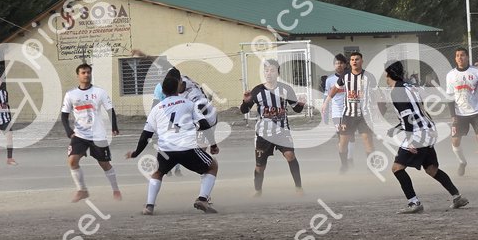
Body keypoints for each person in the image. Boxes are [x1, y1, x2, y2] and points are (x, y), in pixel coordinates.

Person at [125, 72, 218, 214]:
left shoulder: (156, 109)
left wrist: (136, 153)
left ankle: (149, 206)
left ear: (163, 92)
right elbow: (204, 124)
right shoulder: (189, 104)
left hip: (166, 150)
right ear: (177, 89)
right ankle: (202, 199)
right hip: (188, 148)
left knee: (158, 173)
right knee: (212, 166)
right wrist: (213, 145)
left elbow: (146, 135)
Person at [383, 60, 468, 214]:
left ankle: (414, 203)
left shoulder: (397, 91)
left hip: (417, 133)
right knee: (431, 169)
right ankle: (457, 197)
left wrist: (410, 140)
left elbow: (408, 115)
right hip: (428, 129)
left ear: (388, 73)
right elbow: (417, 111)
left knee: (397, 168)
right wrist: (397, 128)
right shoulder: (409, 86)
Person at [240, 59, 305, 195]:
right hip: (263, 134)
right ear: (264, 73)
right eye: (266, 70)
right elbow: (244, 110)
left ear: (278, 73)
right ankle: (258, 191)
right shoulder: (257, 90)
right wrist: (245, 102)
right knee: (260, 166)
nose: (269, 73)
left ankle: (299, 188)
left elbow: (296, 109)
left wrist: (301, 104)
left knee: (290, 155)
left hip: (282, 131)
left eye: (272, 70)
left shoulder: (286, 89)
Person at [61, 62, 122, 203]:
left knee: (105, 164)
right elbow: (64, 116)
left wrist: (114, 126)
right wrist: (68, 131)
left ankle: (116, 189)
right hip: (80, 134)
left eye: (88, 72)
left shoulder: (99, 92)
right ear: (78, 75)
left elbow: (110, 109)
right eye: (83, 72)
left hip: (98, 134)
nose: (86, 75)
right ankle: (82, 190)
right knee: (72, 161)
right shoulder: (71, 94)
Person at [328, 51, 381, 172]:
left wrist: (377, 107)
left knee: (368, 141)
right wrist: (326, 102)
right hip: (348, 115)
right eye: (352, 60)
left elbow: (376, 92)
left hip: (364, 115)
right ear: (350, 62)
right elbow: (335, 88)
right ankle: (344, 165)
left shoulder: (369, 76)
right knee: (342, 143)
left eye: (357, 59)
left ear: (362, 61)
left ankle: (371, 167)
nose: (354, 61)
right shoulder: (345, 75)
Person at [445, 47, 478, 176]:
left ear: (467, 57)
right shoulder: (451, 75)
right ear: (455, 58)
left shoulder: (477, 72)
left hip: (477, 111)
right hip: (459, 113)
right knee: (455, 141)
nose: (460, 58)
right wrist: (452, 115)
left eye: (462, 55)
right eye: (457, 55)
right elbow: (449, 96)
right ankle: (462, 162)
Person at [321, 54, 350, 165]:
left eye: (341, 63)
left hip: (349, 111)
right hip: (337, 112)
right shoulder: (329, 80)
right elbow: (326, 96)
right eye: (337, 63)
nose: (339, 65)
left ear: (345, 64)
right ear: (334, 65)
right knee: (341, 137)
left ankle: (349, 158)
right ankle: (344, 163)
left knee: (349, 138)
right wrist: (325, 113)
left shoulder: (350, 77)